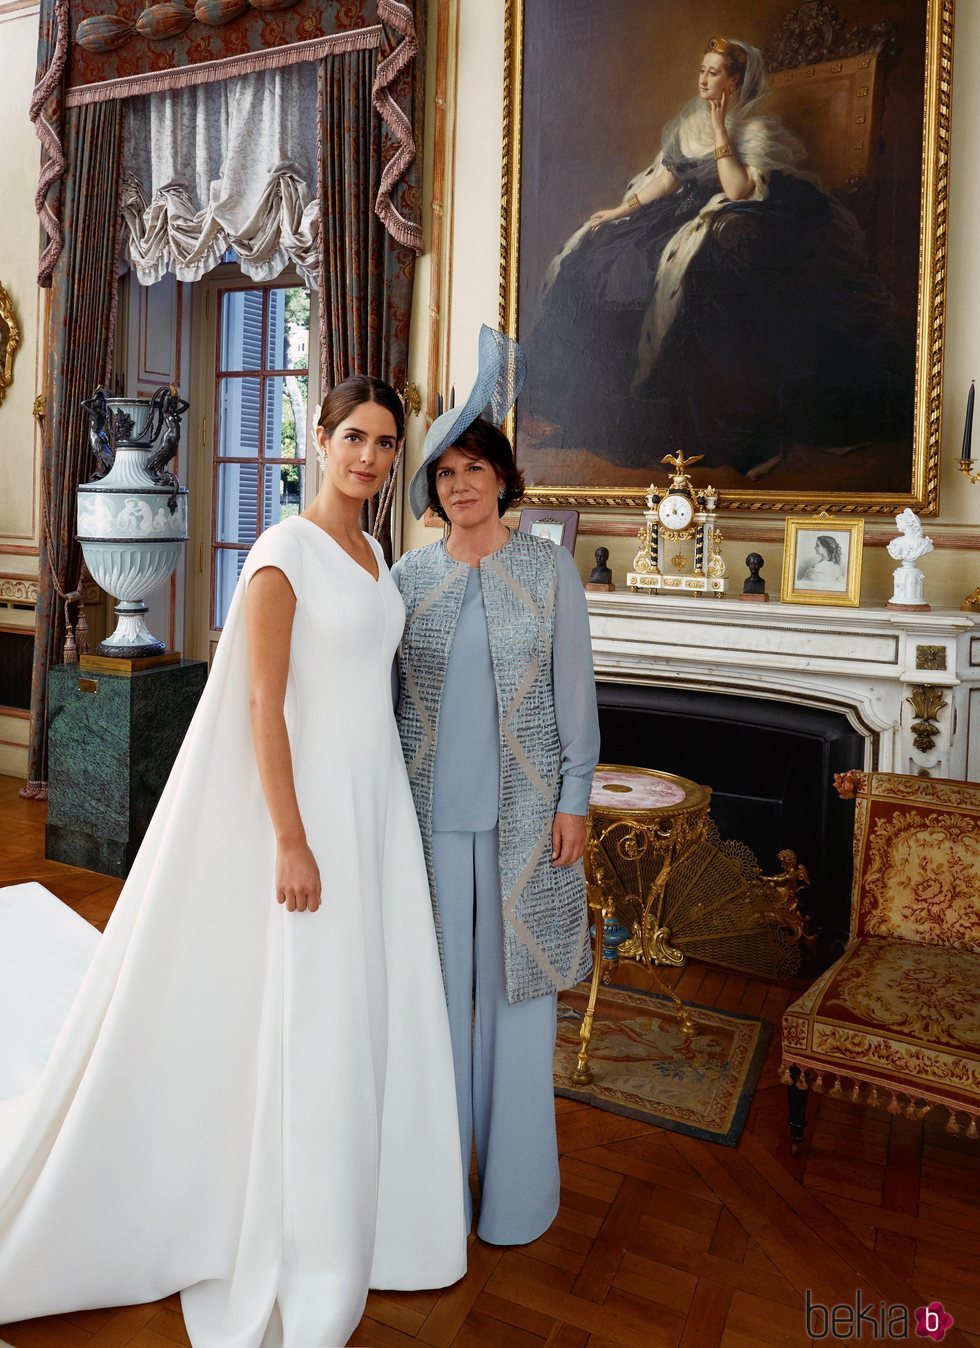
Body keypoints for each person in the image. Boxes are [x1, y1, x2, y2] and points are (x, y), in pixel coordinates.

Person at [0, 376, 467, 1347]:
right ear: (319, 438)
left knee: (368, 999)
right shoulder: (282, 554)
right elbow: (260, 705)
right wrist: (291, 839)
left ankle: (377, 1206)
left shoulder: (375, 552)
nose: (369, 457)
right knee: (319, 1003)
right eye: (353, 437)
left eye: (384, 442)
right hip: (312, 817)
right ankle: (302, 1213)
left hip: (372, 806)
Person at [392, 327, 600, 1245]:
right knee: (434, 1003)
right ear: (431, 490)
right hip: (428, 819)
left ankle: (515, 1198)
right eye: (444, 474)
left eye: (474, 468)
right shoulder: (406, 578)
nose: (460, 486)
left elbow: (575, 694)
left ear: (503, 477)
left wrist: (577, 799)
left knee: (521, 1005)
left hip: (528, 823)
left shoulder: (549, 569)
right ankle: (434, 1193)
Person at [523, 35, 910, 477]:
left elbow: (738, 190)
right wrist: (619, 210)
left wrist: (723, 126)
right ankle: (584, 410)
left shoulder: (757, 128)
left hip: (735, 218)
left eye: (713, 72)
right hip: (678, 213)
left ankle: (686, 423)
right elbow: (667, 179)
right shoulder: (689, 122)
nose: (702, 79)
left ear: (735, 80)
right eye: (701, 70)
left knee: (682, 273)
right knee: (597, 255)